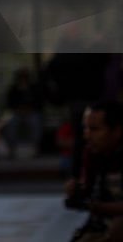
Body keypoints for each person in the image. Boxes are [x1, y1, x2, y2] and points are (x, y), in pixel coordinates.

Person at [65, 100, 123, 241]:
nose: (87, 135)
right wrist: (76, 190)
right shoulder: (93, 153)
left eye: (94, 129)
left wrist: (98, 207)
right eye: (85, 128)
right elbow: (89, 191)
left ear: (117, 131)